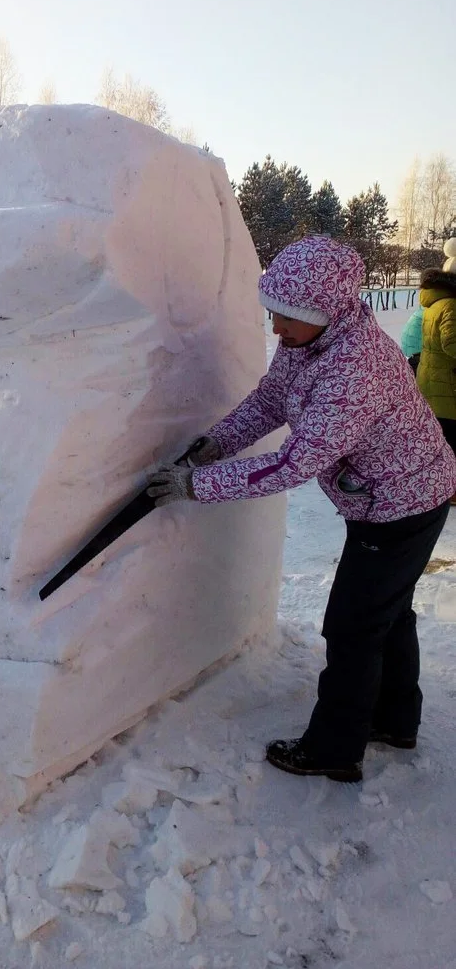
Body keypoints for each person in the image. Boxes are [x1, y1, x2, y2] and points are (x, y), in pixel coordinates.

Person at [148, 234, 456, 783]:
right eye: (273, 314)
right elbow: (271, 400)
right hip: (399, 493)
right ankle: (394, 719)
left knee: (353, 626)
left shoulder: (352, 370)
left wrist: (197, 485)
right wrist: (218, 442)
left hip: (401, 505)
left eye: (288, 318)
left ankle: (335, 750)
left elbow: (293, 463)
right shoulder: (310, 344)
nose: (277, 329)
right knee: (388, 612)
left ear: (325, 311)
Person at [415, 267, 456, 466]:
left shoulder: (435, 304)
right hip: (446, 384)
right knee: (451, 443)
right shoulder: (450, 305)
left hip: (433, 380)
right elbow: (451, 343)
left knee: (441, 442)